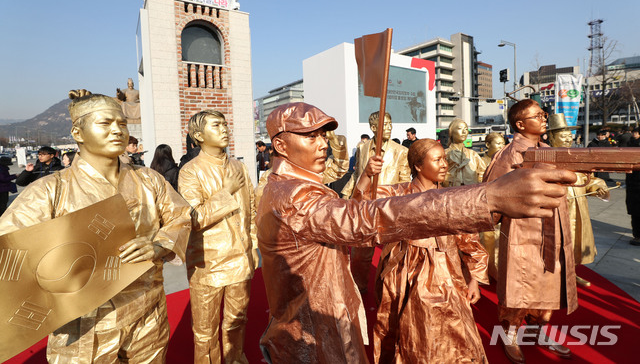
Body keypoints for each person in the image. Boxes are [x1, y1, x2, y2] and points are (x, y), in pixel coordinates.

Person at [256, 102, 576, 363]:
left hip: (334, 320)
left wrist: (474, 272)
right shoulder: (295, 196)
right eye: (310, 136)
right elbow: (362, 218)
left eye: (323, 135)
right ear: (280, 145)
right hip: (314, 337)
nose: (324, 143)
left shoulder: (291, 187)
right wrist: (487, 197)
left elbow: (353, 217)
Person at [0, 89, 192, 362]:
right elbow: (9, 249)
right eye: (105, 123)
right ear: (78, 133)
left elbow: (181, 216)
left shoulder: (149, 179)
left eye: (122, 124)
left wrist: (159, 244)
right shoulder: (50, 189)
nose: (117, 131)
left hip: (148, 306)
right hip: (84, 323)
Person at [355, 139, 489, 363]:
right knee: (410, 333)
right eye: (437, 160)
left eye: (444, 159)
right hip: (406, 271)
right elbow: (361, 205)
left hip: (449, 272)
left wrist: (474, 278)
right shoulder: (399, 194)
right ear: (418, 166)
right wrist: (367, 175)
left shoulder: (453, 197)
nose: (444, 164)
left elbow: (469, 238)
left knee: (457, 331)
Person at [484, 100, 576, 363]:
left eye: (543, 114)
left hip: (554, 227)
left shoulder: (548, 150)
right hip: (523, 231)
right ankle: (511, 335)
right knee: (520, 285)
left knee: (551, 284)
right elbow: (491, 195)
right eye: (537, 115)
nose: (544, 119)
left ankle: (538, 332)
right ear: (520, 124)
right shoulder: (508, 154)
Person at [179, 110, 258, 363]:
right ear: (199, 136)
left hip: (241, 258)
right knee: (205, 330)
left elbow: (253, 211)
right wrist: (226, 192)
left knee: (237, 319)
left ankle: (235, 357)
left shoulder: (239, 167)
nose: (225, 129)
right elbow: (193, 218)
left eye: (225, 124)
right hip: (208, 263)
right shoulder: (190, 171)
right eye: (216, 125)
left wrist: (253, 245)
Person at [341, 111, 411, 293]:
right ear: (373, 128)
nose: (389, 128)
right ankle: (359, 290)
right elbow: (357, 175)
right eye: (384, 125)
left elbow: (405, 182)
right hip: (366, 208)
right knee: (359, 254)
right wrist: (346, 194)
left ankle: (391, 291)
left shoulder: (401, 151)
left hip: (391, 208)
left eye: (390, 124)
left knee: (393, 254)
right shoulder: (363, 148)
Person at [547, 113, 609, 287]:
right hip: (555, 209)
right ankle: (553, 276)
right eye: (563, 136)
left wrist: (597, 187)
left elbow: (588, 179)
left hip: (577, 208)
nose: (568, 140)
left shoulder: (577, 156)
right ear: (552, 137)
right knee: (555, 242)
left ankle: (570, 274)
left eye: (569, 136)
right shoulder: (544, 157)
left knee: (575, 241)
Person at [479, 131, 506, 279]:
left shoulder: (506, 163)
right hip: (485, 205)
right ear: (488, 145)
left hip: (503, 206)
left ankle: (500, 268)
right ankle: (487, 269)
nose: (501, 147)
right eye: (498, 143)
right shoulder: (480, 161)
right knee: (486, 238)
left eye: (503, 143)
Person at [443, 118, 486, 186]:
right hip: (451, 192)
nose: (464, 132)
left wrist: (478, 183)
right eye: (460, 128)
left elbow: (483, 172)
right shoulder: (444, 154)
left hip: (471, 192)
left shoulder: (473, 155)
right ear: (451, 132)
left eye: (466, 129)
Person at [626, 127, 640, 246]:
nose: (634, 134)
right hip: (634, 183)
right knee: (636, 212)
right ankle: (637, 236)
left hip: (634, 182)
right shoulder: (630, 144)